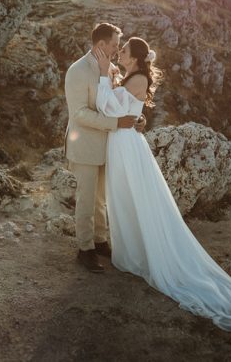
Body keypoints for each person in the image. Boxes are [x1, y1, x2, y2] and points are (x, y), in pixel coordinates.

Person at [91, 36, 231, 335]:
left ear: (135, 57)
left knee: (133, 197)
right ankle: (130, 251)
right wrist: (114, 79)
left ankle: (142, 254)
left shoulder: (138, 77)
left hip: (127, 146)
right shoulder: (131, 76)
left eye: (124, 51)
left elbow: (109, 108)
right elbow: (125, 109)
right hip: (121, 143)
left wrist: (106, 77)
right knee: (123, 198)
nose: (119, 53)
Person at [63, 22, 145, 273]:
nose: (117, 49)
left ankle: (100, 241)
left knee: (100, 199)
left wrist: (136, 119)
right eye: (114, 45)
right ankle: (84, 249)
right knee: (86, 199)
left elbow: (120, 103)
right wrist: (116, 122)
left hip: (108, 146)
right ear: (101, 44)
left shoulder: (110, 69)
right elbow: (79, 114)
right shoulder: (77, 71)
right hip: (85, 145)